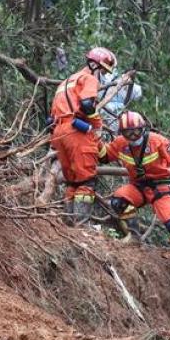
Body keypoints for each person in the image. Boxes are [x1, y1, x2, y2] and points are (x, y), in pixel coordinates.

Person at [98, 110, 170, 279]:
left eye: (136, 131)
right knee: (118, 201)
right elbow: (103, 157)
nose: (132, 135)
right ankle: (134, 237)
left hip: (162, 187)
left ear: (143, 128)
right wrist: (94, 136)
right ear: (122, 133)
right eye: (127, 132)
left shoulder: (156, 140)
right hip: (138, 187)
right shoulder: (120, 144)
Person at [49, 47, 116, 225]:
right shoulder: (88, 79)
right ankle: (81, 226)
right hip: (76, 132)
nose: (102, 75)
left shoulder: (66, 82)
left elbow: (51, 118)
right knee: (87, 180)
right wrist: (97, 124)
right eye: (102, 70)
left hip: (58, 133)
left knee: (72, 181)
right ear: (94, 65)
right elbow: (87, 104)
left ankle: (69, 224)